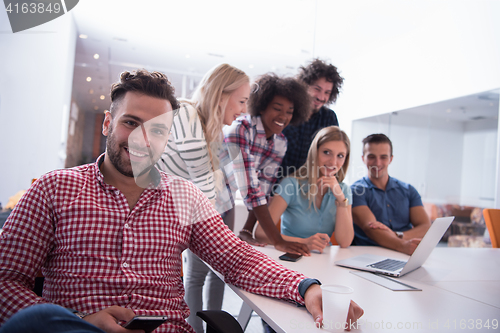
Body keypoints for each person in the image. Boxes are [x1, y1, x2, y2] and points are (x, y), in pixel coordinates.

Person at [0, 69, 364, 332]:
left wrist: (306, 288)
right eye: (130, 122)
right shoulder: (53, 189)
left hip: (166, 329)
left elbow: (236, 259)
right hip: (80, 328)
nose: (142, 137)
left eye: (157, 129)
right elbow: (6, 280)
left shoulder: (184, 195)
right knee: (33, 322)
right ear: (107, 123)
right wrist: (75, 321)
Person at [156, 63, 250, 332]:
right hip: (175, 215)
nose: (243, 109)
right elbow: (202, 178)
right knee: (195, 277)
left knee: (215, 273)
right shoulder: (186, 113)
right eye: (241, 100)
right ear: (221, 95)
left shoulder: (214, 130)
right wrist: (221, 233)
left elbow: (216, 184)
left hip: (195, 213)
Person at [223, 73, 312, 255]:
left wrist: (247, 230)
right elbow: (250, 187)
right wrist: (277, 240)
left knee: (218, 261)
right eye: (277, 108)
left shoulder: (280, 142)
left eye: (289, 111)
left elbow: (262, 188)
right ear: (262, 106)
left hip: (228, 200)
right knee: (199, 269)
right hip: (207, 196)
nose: (283, 117)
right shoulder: (240, 129)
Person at [256, 126, 354, 252]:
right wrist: (304, 242)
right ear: (315, 152)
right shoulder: (291, 184)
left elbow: (345, 242)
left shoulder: (344, 191)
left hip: (322, 261)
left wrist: (341, 199)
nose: (333, 162)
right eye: (326, 152)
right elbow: (260, 233)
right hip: (290, 256)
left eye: (340, 155)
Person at [351, 133, 431, 255]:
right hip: (368, 255)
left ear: (391, 159)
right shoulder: (356, 190)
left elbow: (425, 226)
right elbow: (371, 229)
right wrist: (403, 245)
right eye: (371, 156)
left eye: (383, 157)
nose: (377, 163)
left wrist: (397, 236)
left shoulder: (408, 190)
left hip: (405, 253)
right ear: (363, 158)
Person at [280, 59, 344, 178]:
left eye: (327, 92)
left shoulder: (329, 118)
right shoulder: (287, 112)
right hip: (280, 185)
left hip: (311, 187)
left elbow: (333, 154)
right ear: (304, 86)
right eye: (317, 89)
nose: (321, 97)